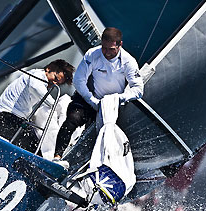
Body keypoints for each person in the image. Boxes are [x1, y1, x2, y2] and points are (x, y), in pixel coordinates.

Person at [53, 27, 143, 160]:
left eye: (111, 49)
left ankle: (81, 165)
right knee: (73, 119)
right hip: (89, 99)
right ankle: (57, 157)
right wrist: (92, 101)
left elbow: (138, 90)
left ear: (120, 45)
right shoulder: (92, 54)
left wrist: (117, 99)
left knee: (95, 139)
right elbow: (78, 80)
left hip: (111, 107)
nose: (106, 53)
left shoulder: (128, 62)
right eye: (104, 48)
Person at [0, 59, 75, 154]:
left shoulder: (38, 80)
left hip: (9, 119)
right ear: (49, 69)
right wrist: (56, 105)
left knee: (33, 149)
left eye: (59, 83)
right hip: (3, 118)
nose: (55, 84)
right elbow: (36, 88)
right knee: (33, 154)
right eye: (56, 78)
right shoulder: (36, 75)